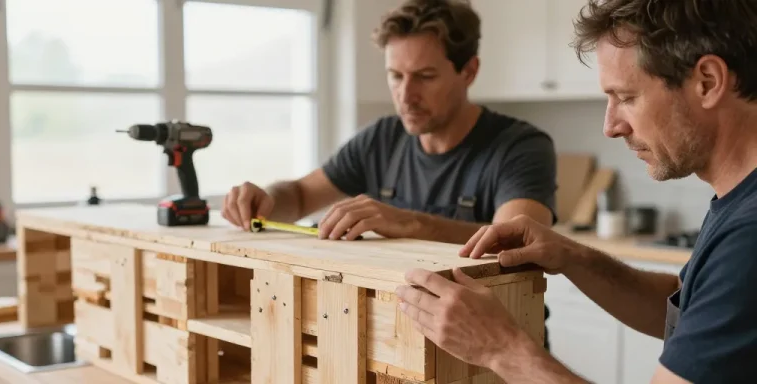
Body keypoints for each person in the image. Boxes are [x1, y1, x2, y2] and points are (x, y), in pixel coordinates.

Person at [394, 0, 757, 383]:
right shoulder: (736, 202)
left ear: (708, 82)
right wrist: (571, 256)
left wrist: (499, 348)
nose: (611, 126)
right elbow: (680, 307)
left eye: (626, 97)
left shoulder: (748, 237)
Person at [222, 0, 557, 244]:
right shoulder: (380, 140)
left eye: (425, 76)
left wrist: (411, 224)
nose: (406, 95)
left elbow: (517, 243)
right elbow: (298, 196)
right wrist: (266, 199)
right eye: (396, 76)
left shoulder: (521, 147)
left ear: (469, 72)